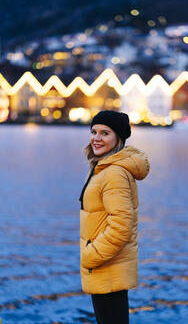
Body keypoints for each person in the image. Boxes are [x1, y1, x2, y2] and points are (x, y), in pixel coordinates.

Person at [79, 110, 150, 324]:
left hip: (107, 266)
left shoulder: (113, 173)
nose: (96, 138)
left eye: (105, 133)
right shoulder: (104, 168)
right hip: (107, 269)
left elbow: (121, 226)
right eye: (94, 131)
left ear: (118, 138)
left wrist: (91, 255)